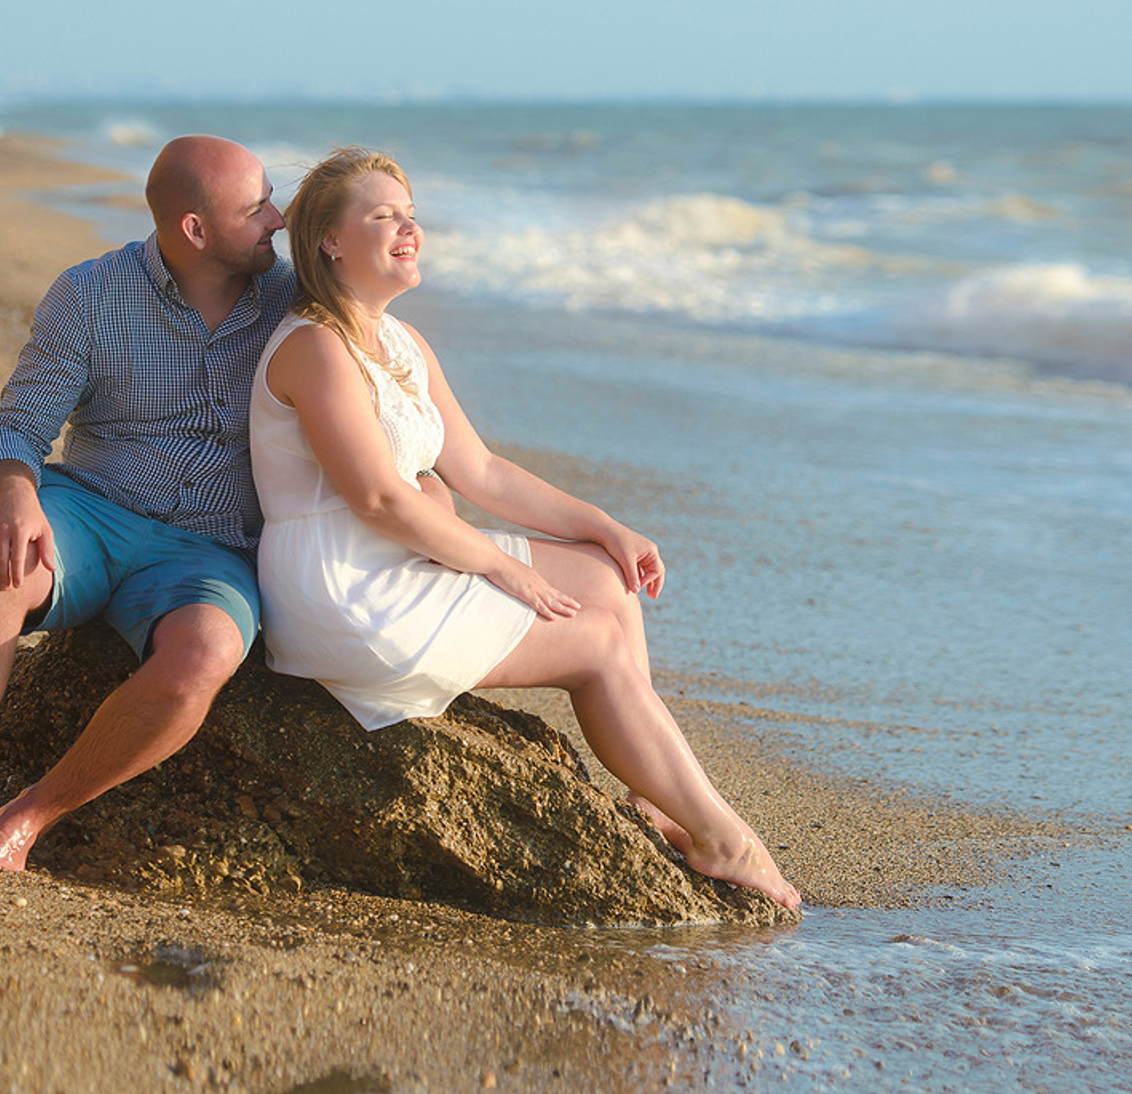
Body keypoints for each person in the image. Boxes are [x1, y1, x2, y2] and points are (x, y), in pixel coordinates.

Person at [250, 148, 801, 911]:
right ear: (330, 242)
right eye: (383, 217)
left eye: (412, 214)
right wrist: (501, 569)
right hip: (348, 590)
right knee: (597, 645)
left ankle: (657, 798)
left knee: (605, 577)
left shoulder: (402, 344)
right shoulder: (314, 345)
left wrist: (607, 526)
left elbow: (481, 471)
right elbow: (378, 499)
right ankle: (724, 839)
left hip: (398, 557)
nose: (409, 229)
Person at [0, 135, 294, 874]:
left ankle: (26, 816)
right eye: (257, 205)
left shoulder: (292, 305)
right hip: (92, 512)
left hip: (213, 547)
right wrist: (12, 496)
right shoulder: (90, 292)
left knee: (205, 656)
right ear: (194, 230)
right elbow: (18, 426)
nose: (278, 218)